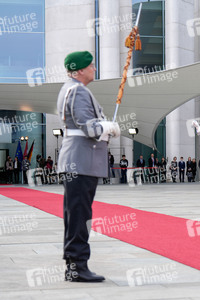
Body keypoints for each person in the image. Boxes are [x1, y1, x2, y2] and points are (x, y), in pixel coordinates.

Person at [57, 50, 120, 282]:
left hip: (79, 160)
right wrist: (108, 127)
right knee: (80, 215)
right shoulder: (78, 91)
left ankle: (74, 265)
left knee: (75, 214)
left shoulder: (72, 89)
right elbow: (88, 127)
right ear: (81, 70)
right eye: (92, 66)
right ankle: (77, 267)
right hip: (81, 161)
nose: (95, 69)